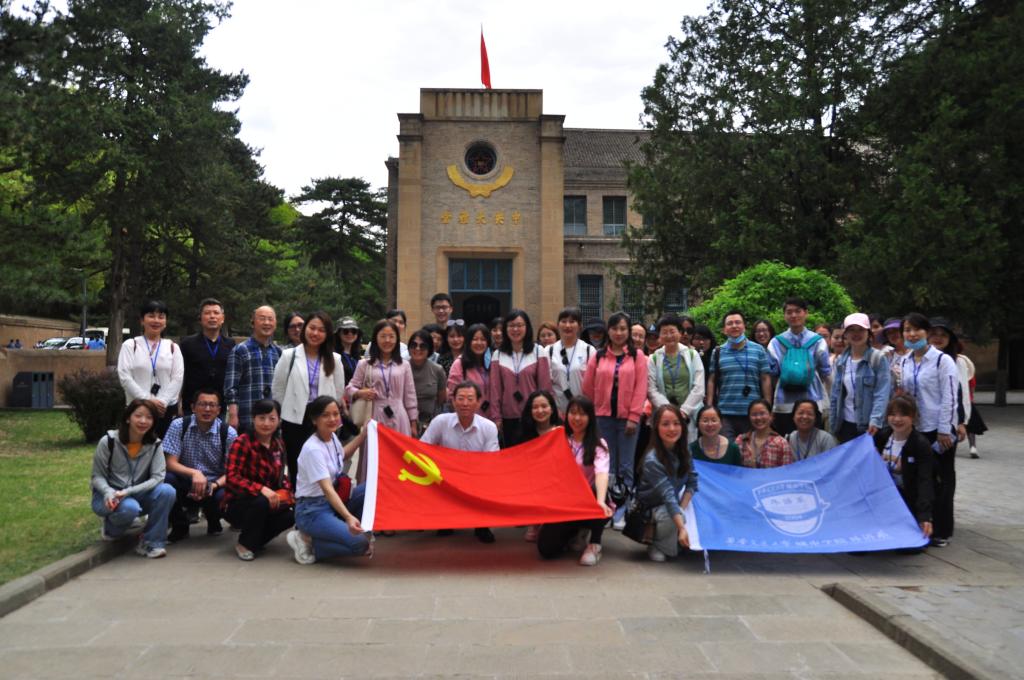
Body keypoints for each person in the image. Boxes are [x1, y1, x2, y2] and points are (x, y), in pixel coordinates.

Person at [893, 313, 958, 546]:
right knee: (918, 479)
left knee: (941, 480)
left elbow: (950, 396)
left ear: (926, 332)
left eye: (916, 330)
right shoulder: (904, 361)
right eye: (907, 330)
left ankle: (941, 530)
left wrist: (944, 430)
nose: (911, 334)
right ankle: (920, 526)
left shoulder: (942, 361)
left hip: (937, 429)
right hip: (915, 428)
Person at [582, 312, 648, 529]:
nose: (618, 333)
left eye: (623, 329)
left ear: (628, 331)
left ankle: (622, 509)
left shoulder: (638, 357)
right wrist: (591, 415)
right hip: (602, 418)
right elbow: (588, 388)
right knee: (605, 464)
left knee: (626, 465)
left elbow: (641, 388)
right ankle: (607, 506)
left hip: (628, 419)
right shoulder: (598, 356)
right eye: (614, 328)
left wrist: (634, 416)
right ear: (608, 331)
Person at [288, 396, 372, 564]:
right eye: (325, 415)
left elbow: (342, 455)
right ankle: (307, 541)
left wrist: (363, 435)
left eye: (336, 414)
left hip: (333, 501)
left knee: (371, 489)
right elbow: (327, 489)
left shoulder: (331, 437)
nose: (332, 419)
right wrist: (348, 517)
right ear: (314, 420)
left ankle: (338, 531)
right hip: (312, 510)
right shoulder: (313, 449)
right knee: (360, 544)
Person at [91, 399, 176, 558]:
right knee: (129, 508)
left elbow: (158, 478)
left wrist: (129, 491)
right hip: (109, 496)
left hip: (136, 494)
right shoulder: (108, 441)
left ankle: (151, 542)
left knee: (167, 491)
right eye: (138, 416)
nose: (143, 421)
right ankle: (110, 528)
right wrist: (109, 492)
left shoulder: (155, 445)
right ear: (128, 418)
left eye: (149, 417)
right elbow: (97, 476)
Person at [420, 381, 501, 543]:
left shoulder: (489, 427)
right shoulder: (440, 421)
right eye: (461, 398)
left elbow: (492, 460)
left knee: (490, 480)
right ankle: (446, 520)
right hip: (446, 476)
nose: (465, 403)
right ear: (453, 401)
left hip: (477, 476)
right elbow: (422, 449)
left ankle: (482, 524)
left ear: (479, 402)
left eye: (470, 399)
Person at [273, 311, 347, 488]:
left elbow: (338, 391)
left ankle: (322, 499)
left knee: (324, 464)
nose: (315, 333)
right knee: (296, 464)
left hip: (323, 417)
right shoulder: (289, 355)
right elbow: (278, 389)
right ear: (305, 329)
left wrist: (330, 415)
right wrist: (283, 414)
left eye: (321, 330)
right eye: (312, 328)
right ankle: (297, 499)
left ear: (327, 334)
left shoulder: (334, 359)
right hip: (295, 419)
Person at [537, 396, 612, 565]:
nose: (577, 418)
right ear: (566, 415)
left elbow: (601, 473)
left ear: (590, 417)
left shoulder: (599, 444)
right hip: (565, 503)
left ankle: (595, 544)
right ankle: (576, 532)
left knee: (597, 494)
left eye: (583, 414)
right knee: (546, 549)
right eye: (573, 412)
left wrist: (600, 501)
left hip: (589, 500)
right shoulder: (558, 437)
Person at [222, 399, 294, 561]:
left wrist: (287, 492)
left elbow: (283, 475)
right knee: (261, 501)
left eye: (272, 418)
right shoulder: (242, 442)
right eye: (261, 418)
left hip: (269, 500)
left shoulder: (278, 443)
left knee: (290, 515)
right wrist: (261, 489)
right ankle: (245, 544)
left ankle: (254, 541)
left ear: (279, 421)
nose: (266, 423)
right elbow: (232, 477)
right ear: (253, 418)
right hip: (238, 503)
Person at [347, 319, 418, 481]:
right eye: (383, 336)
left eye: (391, 336)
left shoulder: (404, 365)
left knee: (399, 460)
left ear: (397, 339)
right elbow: (349, 388)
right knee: (375, 458)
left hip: (399, 417)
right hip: (374, 417)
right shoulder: (365, 364)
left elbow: (410, 395)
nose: (387, 340)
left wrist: (413, 422)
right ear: (375, 338)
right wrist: (361, 393)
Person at [163, 388, 237, 542]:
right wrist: (195, 473)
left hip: (214, 484)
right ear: (193, 407)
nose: (207, 409)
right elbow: (170, 463)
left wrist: (214, 485)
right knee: (166, 481)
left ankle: (214, 519)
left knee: (225, 495)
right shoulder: (178, 425)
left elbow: (233, 472)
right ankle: (180, 526)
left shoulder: (228, 433)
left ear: (219, 410)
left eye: (212, 405)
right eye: (202, 404)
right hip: (185, 480)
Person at [636, 404, 698, 562]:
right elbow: (667, 495)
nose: (672, 429)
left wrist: (681, 509)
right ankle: (657, 543)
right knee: (670, 515)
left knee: (688, 509)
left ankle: (674, 539)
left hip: (674, 502)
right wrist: (681, 527)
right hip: (652, 508)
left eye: (676, 423)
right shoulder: (652, 460)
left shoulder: (685, 450)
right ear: (656, 427)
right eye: (665, 424)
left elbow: (692, 483)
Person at [117, 300, 185, 438]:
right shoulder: (130, 345)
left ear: (165, 322)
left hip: (165, 410)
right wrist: (147, 400)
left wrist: (162, 402)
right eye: (151, 316)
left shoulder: (172, 347)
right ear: (142, 320)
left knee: (164, 448)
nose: (156, 320)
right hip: (137, 409)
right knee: (136, 446)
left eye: (161, 317)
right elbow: (124, 376)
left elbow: (177, 378)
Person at [487, 309, 553, 447]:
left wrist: (545, 414)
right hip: (508, 417)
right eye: (511, 325)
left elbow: (545, 387)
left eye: (519, 325)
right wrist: (496, 417)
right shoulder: (498, 355)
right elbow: (495, 390)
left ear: (527, 327)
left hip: (534, 416)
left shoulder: (538, 352)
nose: (515, 329)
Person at [767, 298, 832, 436]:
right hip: (813, 400)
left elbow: (774, 374)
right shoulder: (818, 341)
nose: (794, 315)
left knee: (787, 439)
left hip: (784, 401)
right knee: (812, 442)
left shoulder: (776, 342)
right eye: (789, 312)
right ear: (784, 315)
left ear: (806, 313)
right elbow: (825, 371)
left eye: (798, 311)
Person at [873, 396, 934, 540]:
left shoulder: (921, 444)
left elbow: (925, 481)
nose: (897, 419)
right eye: (893, 414)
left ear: (913, 417)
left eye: (903, 414)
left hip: (908, 499)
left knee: (907, 546)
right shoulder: (882, 436)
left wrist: (924, 516)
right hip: (882, 498)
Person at [705, 310, 773, 440]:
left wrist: (767, 405)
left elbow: (765, 378)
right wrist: (709, 406)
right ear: (724, 330)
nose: (734, 326)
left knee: (751, 449)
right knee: (727, 448)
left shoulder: (758, 350)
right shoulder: (718, 352)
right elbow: (712, 380)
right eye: (730, 323)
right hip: (725, 413)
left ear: (744, 326)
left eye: (738, 322)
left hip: (753, 413)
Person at [829, 313, 891, 442]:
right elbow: (835, 395)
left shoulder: (878, 358)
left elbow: (882, 393)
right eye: (851, 330)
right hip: (845, 424)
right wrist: (833, 423)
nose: (856, 334)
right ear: (845, 334)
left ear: (868, 333)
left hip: (870, 426)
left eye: (861, 329)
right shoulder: (841, 361)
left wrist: (875, 420)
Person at [647, 314, 705, 441]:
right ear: (659, 336)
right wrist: (669, 412)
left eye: (672, 331)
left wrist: (684, 411)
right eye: (664, 332)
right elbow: (652, 390)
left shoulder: (692, 355)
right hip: (664, 416)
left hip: (688, 415)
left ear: (680, 333)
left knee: (687, 448)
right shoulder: (654, 358)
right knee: (665, 446)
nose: (669, 336)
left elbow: (699, 387)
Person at [225, 305, 282, 434]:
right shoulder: (240, 350)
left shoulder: (278, 352)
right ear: (253, 322)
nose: (266, 322)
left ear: (275, 323)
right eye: (262, 318)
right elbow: (231, 387)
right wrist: (233, 415)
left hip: (271, 420)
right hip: (247, 417)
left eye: (270, 319)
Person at [178, 298, 236, 417]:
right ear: (200, 318)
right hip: (192, 405)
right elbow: (179, 375)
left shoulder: (230, 344)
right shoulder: (187, 344)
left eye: (216, 313)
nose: (212, 316)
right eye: (207, 313)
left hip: (219, 405)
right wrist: (178, 402)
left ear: (222, 318)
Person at [518, 390, 563, 542]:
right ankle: (534, 521)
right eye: (535, 407)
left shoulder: (562, 430)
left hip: (557, 478)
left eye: (544, 406)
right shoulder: (524, 432)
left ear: (552, 408)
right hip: (532, 479)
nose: (540, 411)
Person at [547, 307, 594, 417]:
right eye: (564, 321)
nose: (567, 325)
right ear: (558, 325)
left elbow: (594, 384)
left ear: (580, 326)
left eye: (572, 322)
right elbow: (547, 384)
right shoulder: (549, 351)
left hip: (582, 411)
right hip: (557, 411)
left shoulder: (589, 350)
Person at [408, 329, 447, 432]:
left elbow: (441, 399)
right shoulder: (401, 368)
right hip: (405, 423)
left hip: (429, 424)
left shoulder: (438, 370)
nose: (418, 349)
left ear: (429, 349)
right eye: (414, 345)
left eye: (423, 346)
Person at [735, 399, 794, 468]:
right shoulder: (741, 440)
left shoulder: (781, 443)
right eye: (754, 414)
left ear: (771, 416)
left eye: (762, 413)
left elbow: (786, 471)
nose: (758, 418)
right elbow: (734, 470)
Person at [446, 323, 490, 406]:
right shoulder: (459, 364)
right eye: (475, 339)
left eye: (483, 339)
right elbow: (452, 395)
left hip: (491, 412)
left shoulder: (492, 363)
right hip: (467, 411)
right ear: (468, 342)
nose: (479, 343)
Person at [333, 317, 363, 386]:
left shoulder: (357, 356)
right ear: (338, 333)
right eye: (345, 331)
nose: (350, 334)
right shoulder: (334, 355)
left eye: (354, 331)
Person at [883, 317, 909, 392]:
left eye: (895, 330)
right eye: (889, 333)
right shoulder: (887, 356)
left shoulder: (917, 353)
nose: (892, 335)